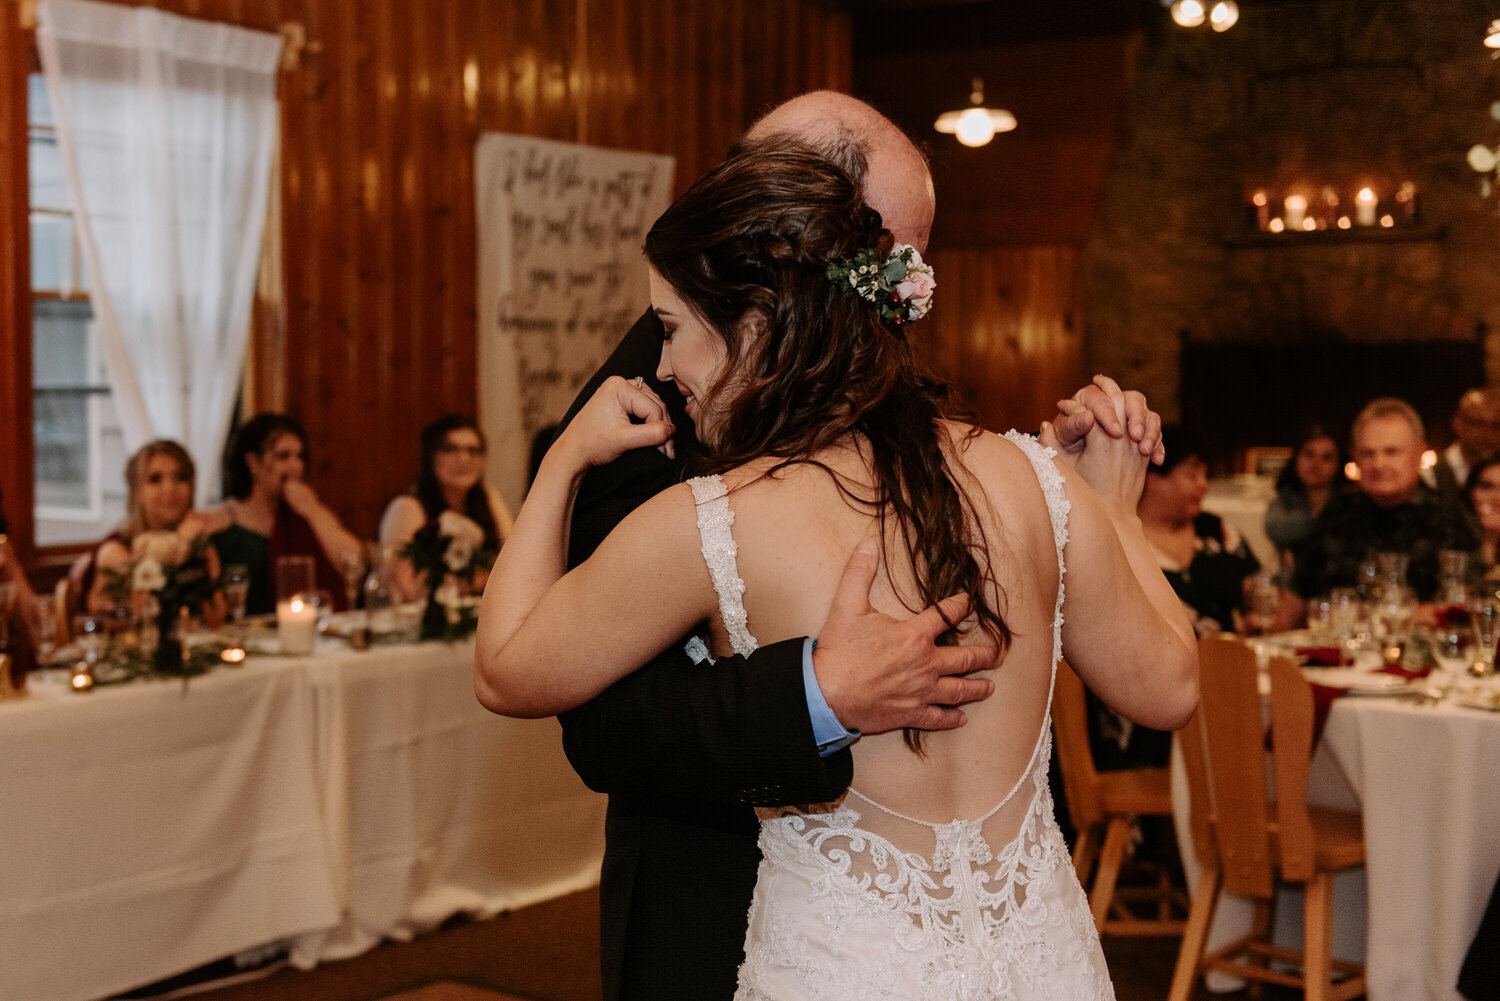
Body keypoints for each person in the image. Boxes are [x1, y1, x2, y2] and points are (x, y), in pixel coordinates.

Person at [476, 148, 1197, 997]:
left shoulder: (716, 519)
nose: (663, 370)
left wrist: (563, 460)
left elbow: (505, 665)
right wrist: (1112, 508)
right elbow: (1173, 686)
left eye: (671, 330)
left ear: (756, 322)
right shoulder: (1031, 477)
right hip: (1046, 968)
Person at [1294, 397, 1478, 602]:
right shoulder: (1338, 513)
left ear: (1420, 453)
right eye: (1368, 453)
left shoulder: (1451, 518)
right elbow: (1299, 591)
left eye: (1392, 452)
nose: (1379, 464)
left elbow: (1467, 603)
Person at [206, 413, 362, 616]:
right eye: (283, 456)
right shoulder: (226, 517)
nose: (296, 466)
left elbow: (353, 564)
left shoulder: (306, 513)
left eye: (300, 456)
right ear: (253, 462)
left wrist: (313, 512)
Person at [378, 414, 514, 603]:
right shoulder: (408, 506)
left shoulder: (488, 497)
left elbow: (514, 562)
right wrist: (476, 581)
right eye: (451, 449)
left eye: (473, 450)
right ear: (431, 457)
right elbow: (405, 589)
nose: (464, 458)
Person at [1139, 424, 1261, 635]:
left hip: (1231, 658)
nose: (1204, 485)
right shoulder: (1125, 538)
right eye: (1192, 475)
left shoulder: (1216, 530)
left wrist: (1255, 615)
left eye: (1205, 475)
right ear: (1153, 477)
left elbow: (1257, 591)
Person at [82, 440, 223, 620]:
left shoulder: (200, 546)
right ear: (137, 491)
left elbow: (217, 617)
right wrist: (178, 543)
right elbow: (146, 612)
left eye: (180, 477)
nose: (170, 488)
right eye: (155, 479)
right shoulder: (116, 550)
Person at [1264, 424, 1348, 560]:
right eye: (1309, 454)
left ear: (1338, 465)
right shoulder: (1286, 499)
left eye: (1326, 457)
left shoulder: (1349, 503)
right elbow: (1276, 531)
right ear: (1296, 458)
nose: (1316, 463)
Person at [1424, 387, 1500, 503]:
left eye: (1496, 426)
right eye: (1478, 423)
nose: (1487, 433)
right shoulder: (1430, 475)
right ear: (1458, 423)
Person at [1463, 455, 1500, 581]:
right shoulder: (1447, 536)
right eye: (1487, 487)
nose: (1497, 497)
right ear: (1471, 492)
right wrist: (1489, 540)